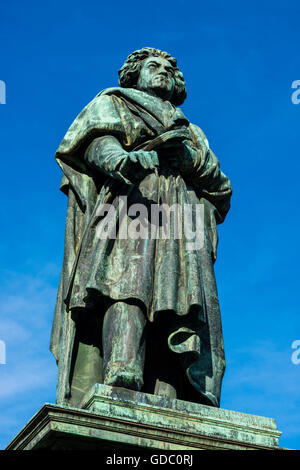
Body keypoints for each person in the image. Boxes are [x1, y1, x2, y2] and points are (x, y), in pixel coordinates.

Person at [50, 47, 232, 408]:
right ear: (135, 73)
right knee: (126, 283)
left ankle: (171, 385)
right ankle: (122, 367)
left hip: (183, 218)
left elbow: (222, 187)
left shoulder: (192, 131)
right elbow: (95, 143)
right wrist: (121, 161)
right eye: (154, 66)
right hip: (133, 200)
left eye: (169, 68)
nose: (163, 71)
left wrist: (191, 162)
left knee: (178, 300)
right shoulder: (114, 101)